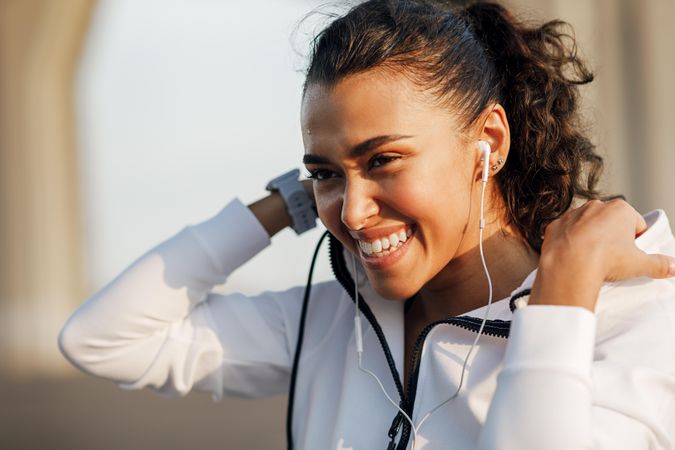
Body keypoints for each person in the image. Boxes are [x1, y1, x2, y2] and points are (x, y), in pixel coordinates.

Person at [58, 1, 675, 449]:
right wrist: (289, 204)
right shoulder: (329, 323)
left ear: (487, 141)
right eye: (327, 173)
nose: (350, 213)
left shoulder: (633, 323)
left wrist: (562, 296)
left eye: (383, 160)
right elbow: (102, 338)